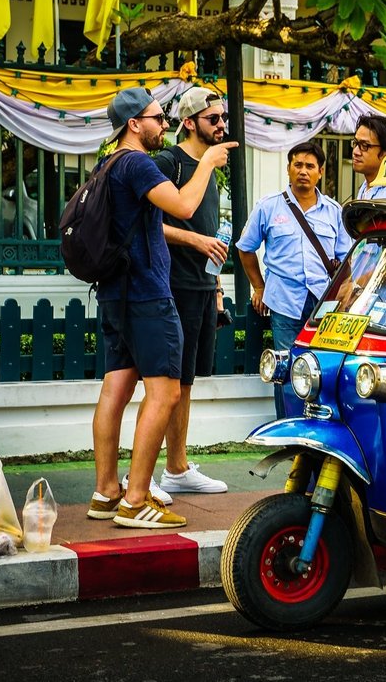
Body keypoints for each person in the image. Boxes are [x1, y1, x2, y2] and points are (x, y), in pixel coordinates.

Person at [85, 87, 236, 529]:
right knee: (167, 391)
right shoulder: (134, 163)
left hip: (116, 291)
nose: (165, 125)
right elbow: (185, 206)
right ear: (134, 124)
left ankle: (106, 491)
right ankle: (135, 498)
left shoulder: (106, 163)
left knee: (116, 388)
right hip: (147, 292)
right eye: (157, 118)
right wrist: (207, 163)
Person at [140, 87, 231, 502]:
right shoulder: (167, 162)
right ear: (190, 122)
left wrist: (216, 286)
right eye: (214, 119)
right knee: (166, 382)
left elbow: (209, 229)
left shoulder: (210, 167)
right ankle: (145, 476)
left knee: (187, 381)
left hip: (200, 284)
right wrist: (194, 243)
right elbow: (145, 224)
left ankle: (176, 467)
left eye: (223, 118)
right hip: (168, 284)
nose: (222, 125)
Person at [237, 142, 352, 350]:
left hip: (323, 302)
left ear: (320, 172)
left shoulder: (334, 211)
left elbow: (346, 260)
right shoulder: (268, 206)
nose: (303, 171)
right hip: (284, 301)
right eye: (298, 165)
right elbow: (245, 248)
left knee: (322, 368)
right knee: (288, 368)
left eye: (310, 166)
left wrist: (343, 296)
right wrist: (259, 287)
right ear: (288, 169)